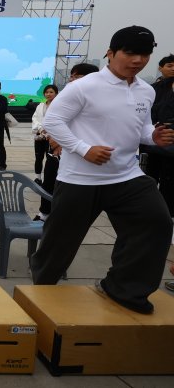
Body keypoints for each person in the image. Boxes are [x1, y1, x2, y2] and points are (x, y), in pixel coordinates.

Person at [31, 26, 174, 314]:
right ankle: (38, 295)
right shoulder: (84, 86)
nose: (137, 60)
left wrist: (152, 137)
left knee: (157, 222)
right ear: (111, 53)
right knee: (58, 245)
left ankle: (123, 289)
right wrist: (84, 148)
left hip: (126, 175)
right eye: (130, 53)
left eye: (144, 54)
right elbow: (54, 121)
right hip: (80, 179)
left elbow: (141, 127)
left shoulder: (145, 90)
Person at [36, 64, 99, 222]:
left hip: (81, 154)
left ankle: (65, 218)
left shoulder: (99, 101)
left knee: (72, 190)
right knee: (49, 182)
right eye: (71, 76)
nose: (71, 80)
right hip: (56, 151)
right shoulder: (66, 97)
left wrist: (63, 143)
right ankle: (44, 213)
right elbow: (51, 123)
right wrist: (55, 143)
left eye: (76, 77)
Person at [139, 54, 174, 216]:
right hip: (153, 142)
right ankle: (149, 210)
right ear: (160, 68)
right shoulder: (152, 88)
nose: (173, 68)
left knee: (169, 183)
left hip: (170, 143)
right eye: (169, 65)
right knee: (150, 178)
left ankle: (166, 213)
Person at [31, 85, 58, 184]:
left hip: (52, 137)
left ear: (56, 93)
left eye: (51, 92)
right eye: (46, 92)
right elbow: (35, 119)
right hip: (40, 137)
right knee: (38, 157)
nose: (48, 94)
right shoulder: (40, 106)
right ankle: (38, 178)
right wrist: (41, 129)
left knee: (50, 159)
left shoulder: (58, 106)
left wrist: (47, 131)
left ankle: (49, 179)